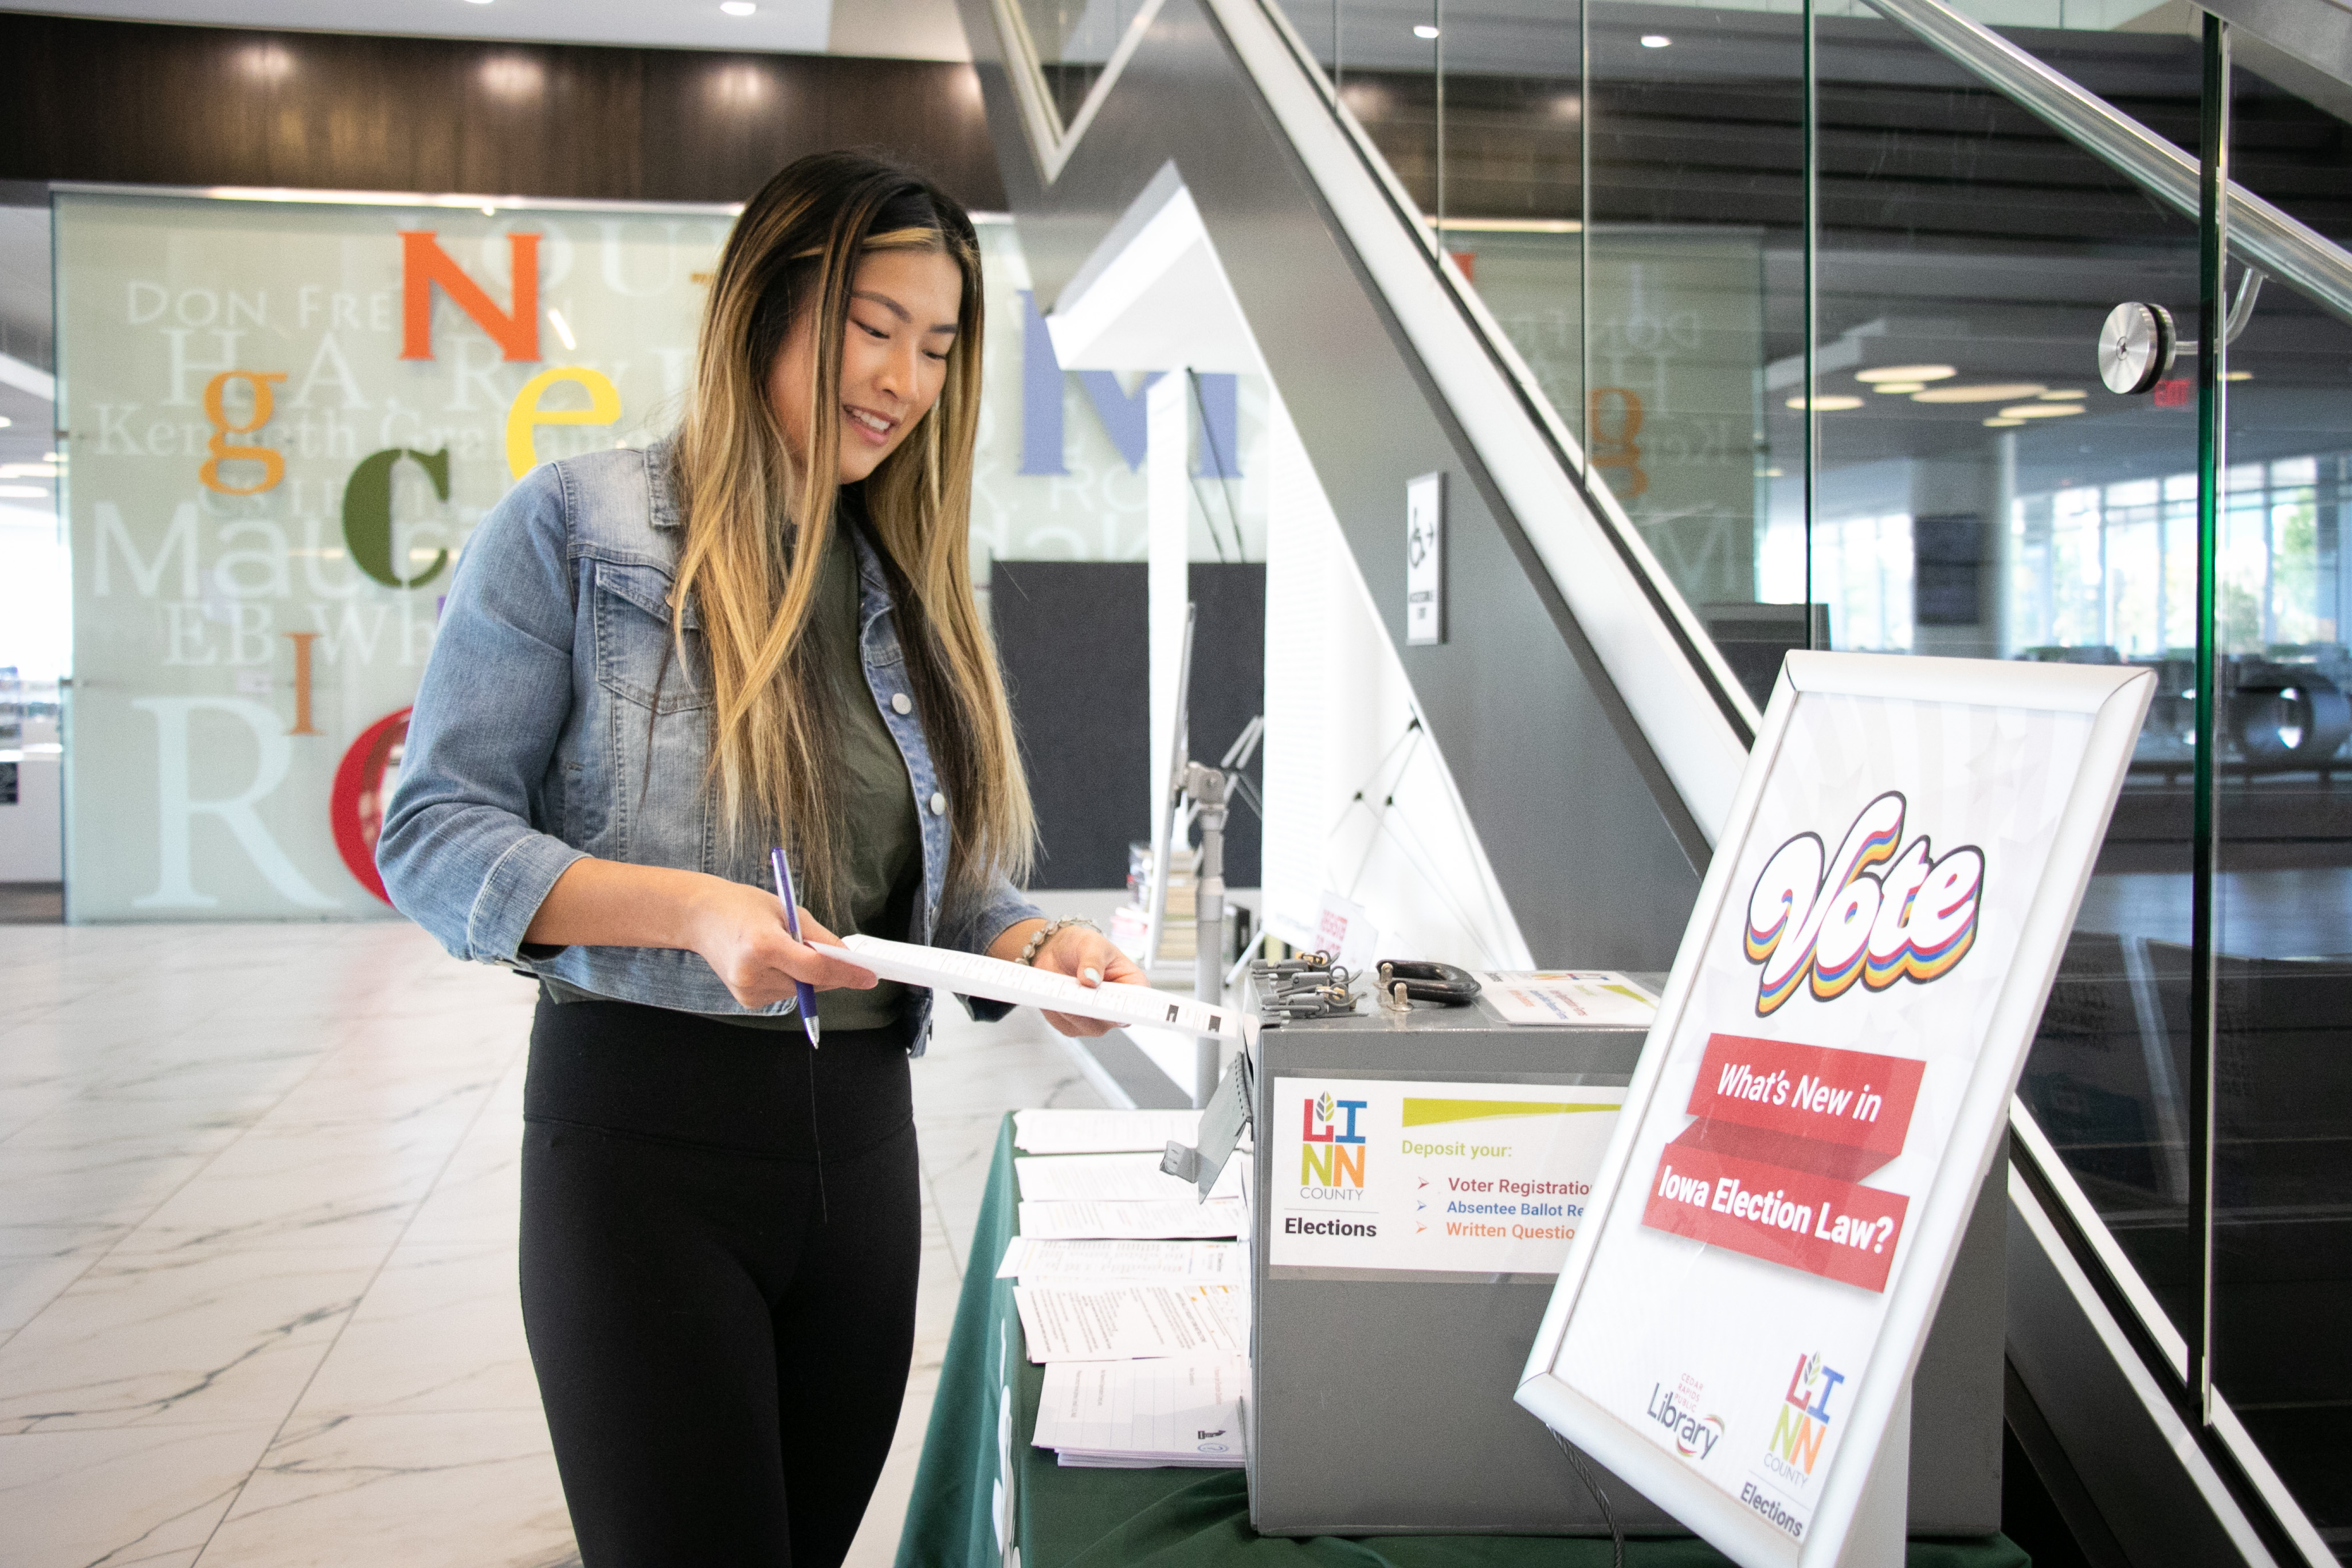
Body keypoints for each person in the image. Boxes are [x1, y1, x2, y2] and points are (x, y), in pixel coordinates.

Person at [377, 151, 1144, 1566]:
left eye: (938, 344)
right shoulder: (580, 529)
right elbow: (431, 833)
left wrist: (1041, 948)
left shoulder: (906, 582)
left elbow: (950, 890)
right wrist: (694, 913)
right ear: (762, 303)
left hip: (860, 1165)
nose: (905, 378)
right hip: (641, 1158)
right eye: (872, 325)